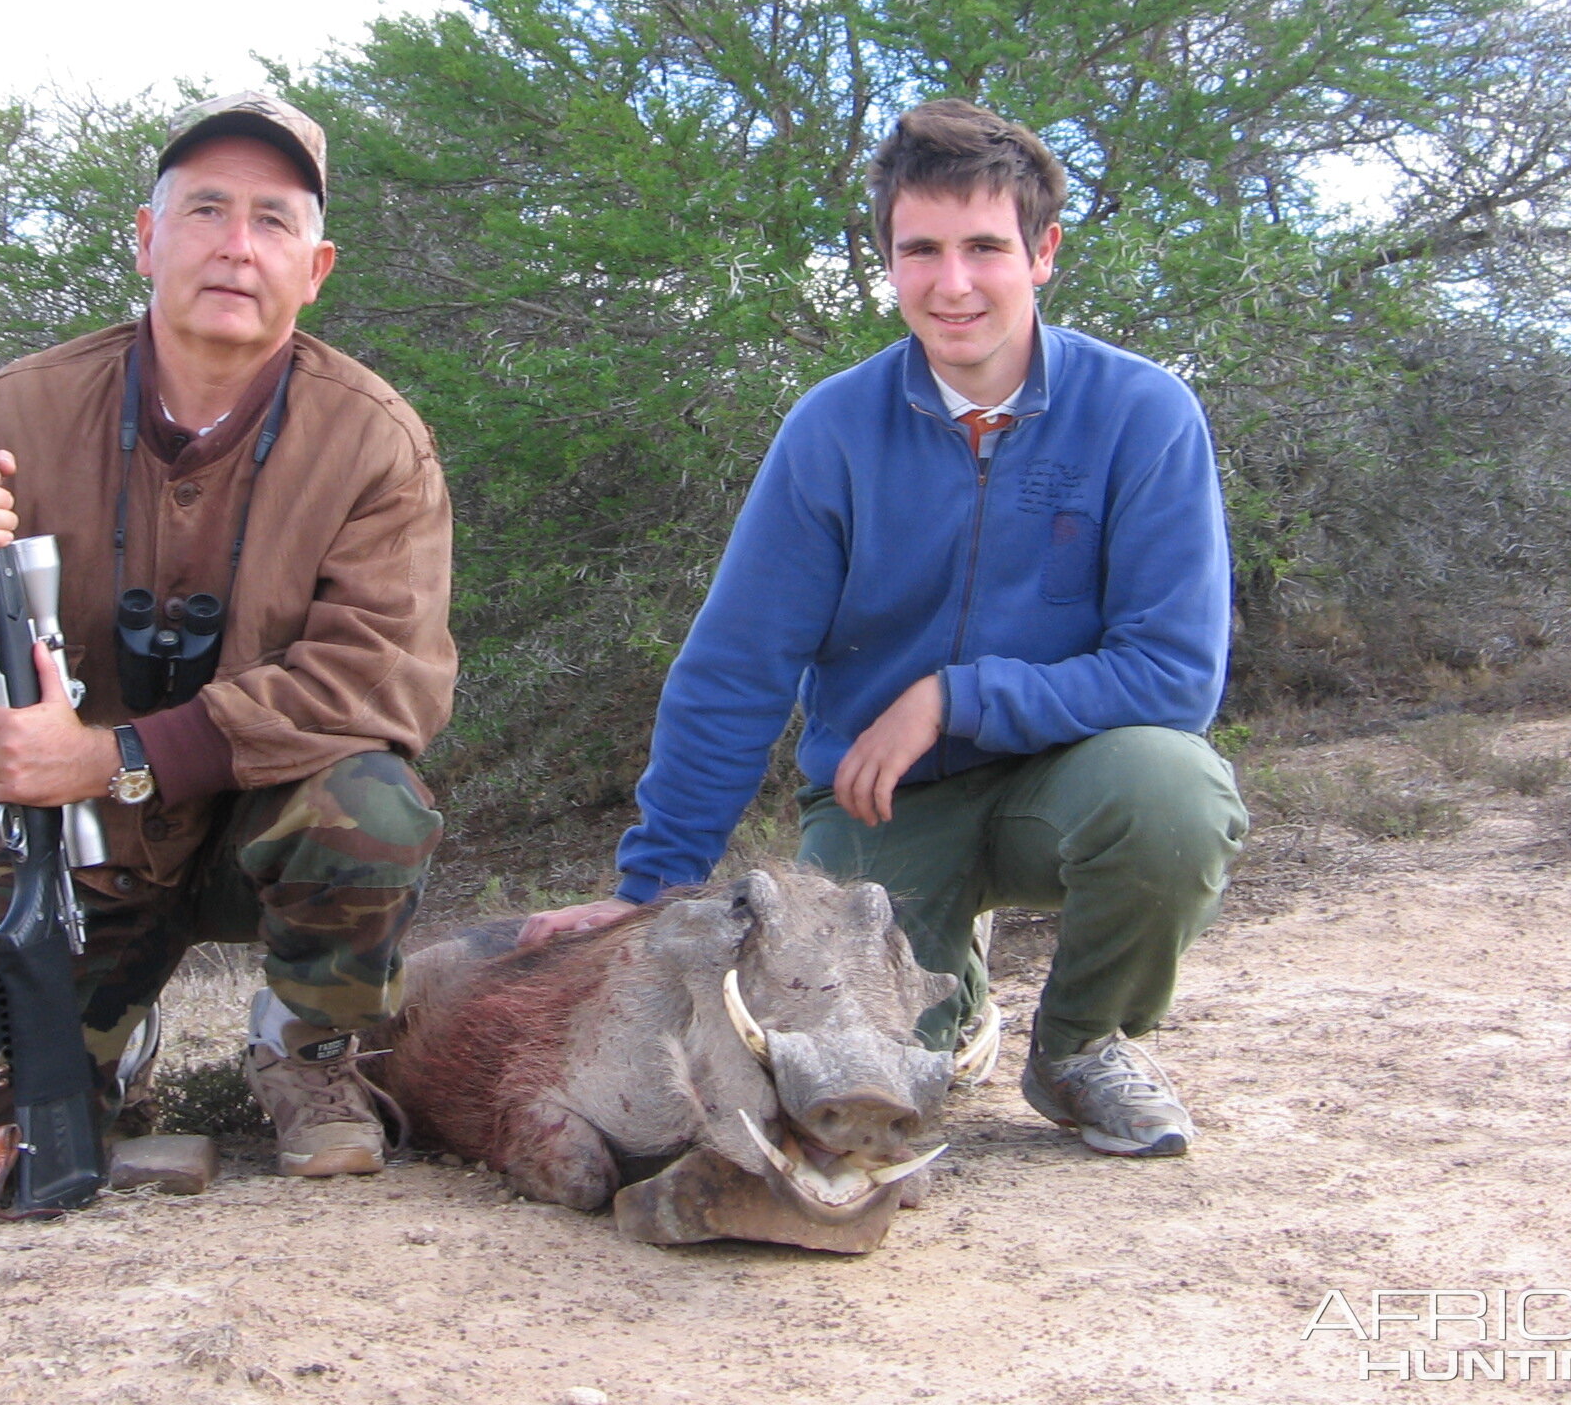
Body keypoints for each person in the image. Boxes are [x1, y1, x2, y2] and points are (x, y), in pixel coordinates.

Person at [523, 100, 1246, 1158]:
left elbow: (1176, 674)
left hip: (1073, 779)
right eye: (922, 251)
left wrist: (956, 696)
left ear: (1042, 252)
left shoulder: (1144, 413)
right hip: (880, 798)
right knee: (879, 1081)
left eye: (985, 248)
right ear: (886, 261)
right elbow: (736, 669)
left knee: (1175, 794)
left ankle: (1085, 1045)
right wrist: (647, 890)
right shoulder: (830, 429)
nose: (953, 285)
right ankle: (964, 995)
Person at [0, 92, 455, 1218]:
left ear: (314, 268)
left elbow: (382, 679)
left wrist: (109, 755)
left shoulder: (377, 440)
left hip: (267, 834)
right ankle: (109, 1048)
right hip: (77, 858)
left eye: (272, 221)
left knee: (372, 803)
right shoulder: (8, 412)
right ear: (145, 237)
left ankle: (309, 1047)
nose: (235, 244)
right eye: (205, 209)